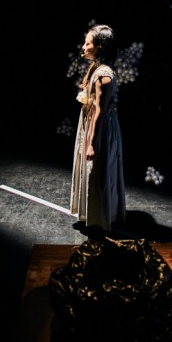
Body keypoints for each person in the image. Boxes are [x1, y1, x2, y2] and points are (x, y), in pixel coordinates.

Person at [70, 24, 126, 232]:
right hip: (91, 123)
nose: (83, 47)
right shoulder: (96, 68)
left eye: (88, 43)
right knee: (92, 172)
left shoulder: (105, 75)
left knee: (99, 171)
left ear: (99, 47)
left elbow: (100, 113)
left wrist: (92, 142)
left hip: (100, 129)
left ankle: (102, 217)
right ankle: (92, 213)